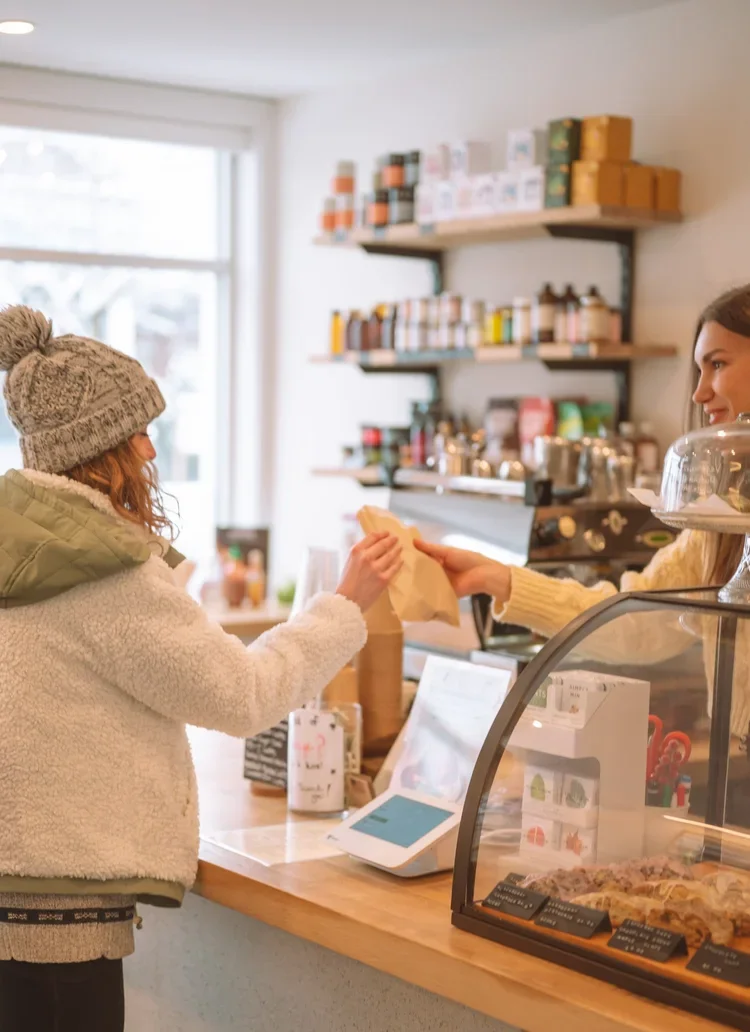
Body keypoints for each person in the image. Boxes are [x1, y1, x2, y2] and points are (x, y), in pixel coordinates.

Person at [0, 304, 401, 1031]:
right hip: (54, 926)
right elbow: (245, 695)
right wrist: (348, 603)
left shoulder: (18, 542)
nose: (151, 454)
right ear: (102, 447)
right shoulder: (106, 574)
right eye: (140, 433)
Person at [417, 284, 750, 738]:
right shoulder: (722, 521)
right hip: (733, 772)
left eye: (717, 364)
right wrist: (499, 578)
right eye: (698, 369)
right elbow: (637, 621)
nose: (698, 394)